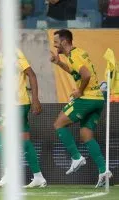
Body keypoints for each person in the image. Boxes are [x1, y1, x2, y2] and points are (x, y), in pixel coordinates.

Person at [0, 28, 47, 188]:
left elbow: (32, 74)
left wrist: (35, 99)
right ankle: (38, 177)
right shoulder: (3, 56)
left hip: (18, 103)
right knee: (24, 141)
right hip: (16, 104)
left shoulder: (14, 53)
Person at [50, 29, 112, 188]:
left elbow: (85, 75)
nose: (55, 45)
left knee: (58, 124)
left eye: (56, 42)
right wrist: (59, 63)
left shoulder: (75, 55)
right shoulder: (77, 54)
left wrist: (79, 91)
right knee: (86, 135)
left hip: (87, 98)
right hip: (98, 99)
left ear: (64, 42)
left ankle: (76, 157)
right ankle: (104, 170)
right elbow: (75, 72)